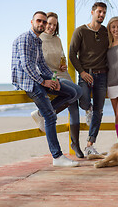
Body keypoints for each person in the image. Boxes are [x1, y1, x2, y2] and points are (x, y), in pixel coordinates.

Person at [12, 11, 81, 167]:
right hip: (28, 81)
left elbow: (42, 64)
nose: (42, 24)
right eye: (39, 21)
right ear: (32, 22)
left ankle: (40, 114)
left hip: (39, 78)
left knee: (71, 92)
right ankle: (57, 157)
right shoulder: (25, 39)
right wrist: (44, 82)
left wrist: (54, 79)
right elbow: (27, 66)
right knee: (50, 116)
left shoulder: (37, 41)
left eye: (44, 22)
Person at [69, 2, 118, 156]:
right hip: (86, 74)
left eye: (104, 12)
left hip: (103, 75)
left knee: (99, 110)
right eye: (99, 12)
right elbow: (72, 54)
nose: (102, 15)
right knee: (83, 101)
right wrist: (82, 72)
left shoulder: (106, 32)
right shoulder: (80, 31)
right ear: (92, 12)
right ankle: (88, 109)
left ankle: (90, 144)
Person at [35, 12, 84, 158]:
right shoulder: (38, 39)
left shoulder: (57, 39)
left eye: (54, 25)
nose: (51, 27)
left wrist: (63, 65)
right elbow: (38, 64)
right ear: (44, 23)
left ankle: (75, 144)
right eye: (49, 23)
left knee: (74, 103)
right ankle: (43, 113)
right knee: (77, 92)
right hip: (51, 77)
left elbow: (61, 57)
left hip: (63, 74)